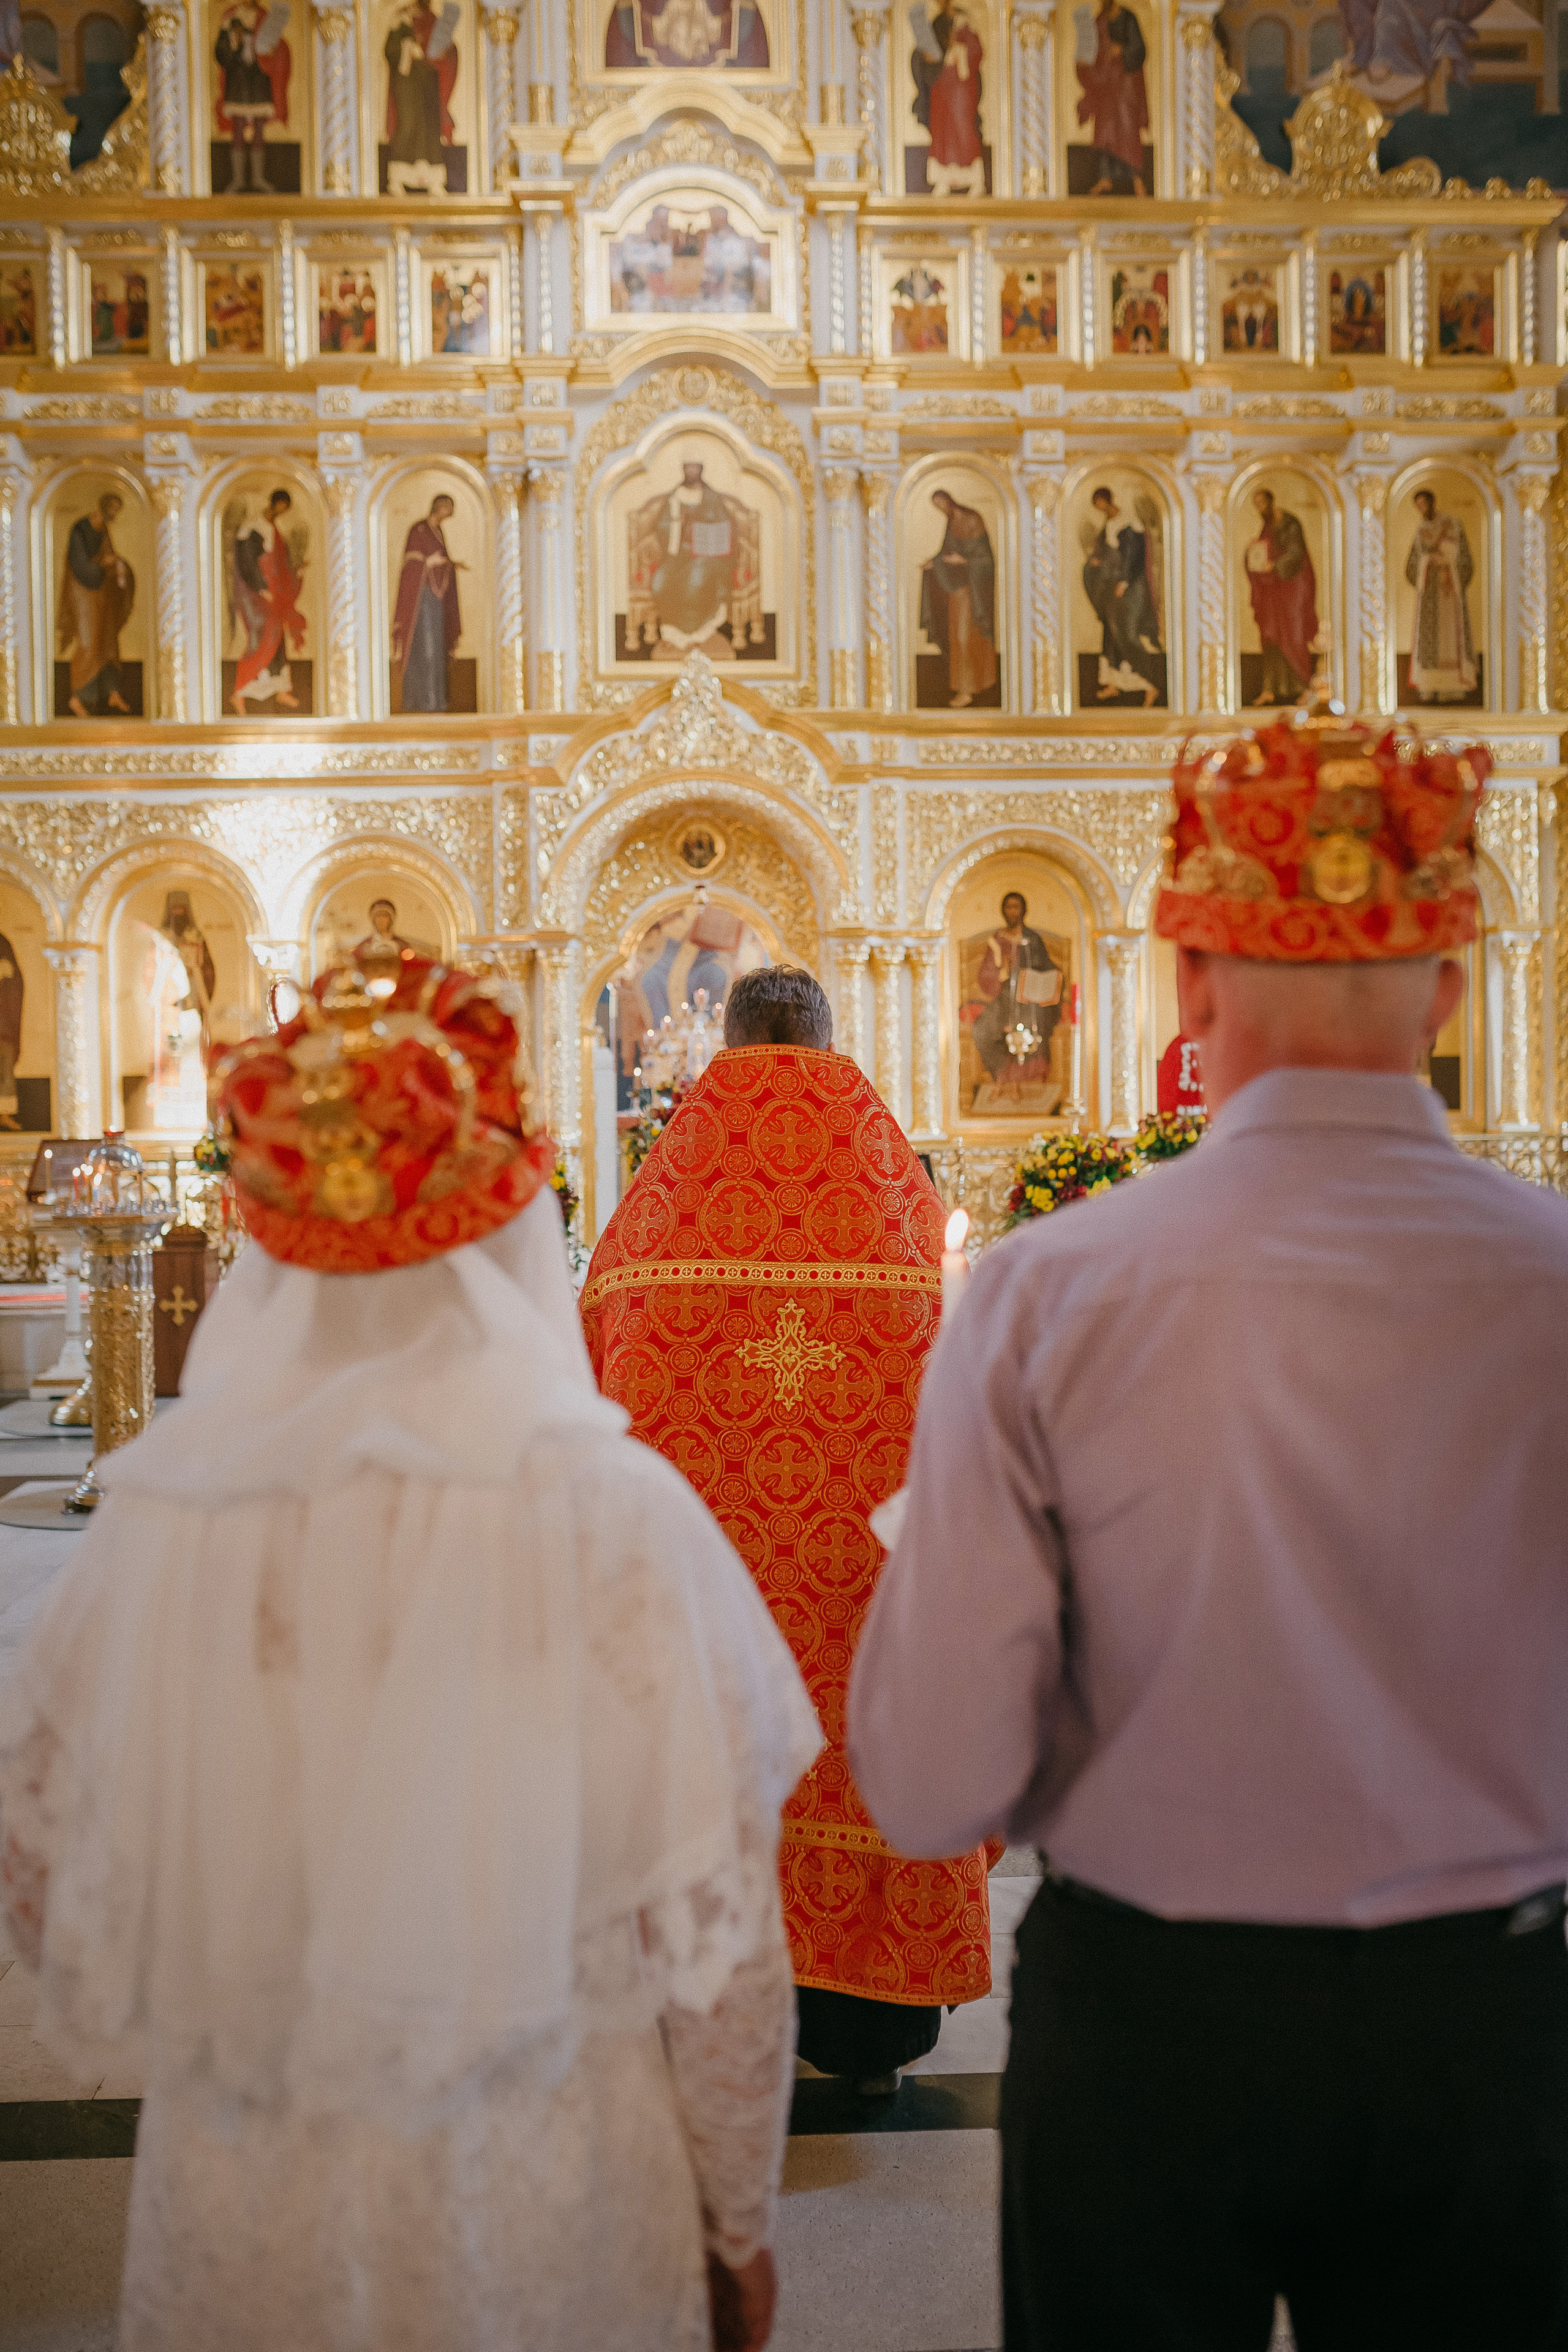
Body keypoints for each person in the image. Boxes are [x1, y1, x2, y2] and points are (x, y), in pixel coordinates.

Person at [850, 708, 1568, 2350]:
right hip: (1495, 2014)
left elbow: (932, 1776)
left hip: (1150, 2019)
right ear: (1452, 988)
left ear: (1183, 983)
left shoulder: (1048, 1293)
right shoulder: (1558, 1281)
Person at [0, 948, 820, 2352]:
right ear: (509, 1213)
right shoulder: (610, 1508)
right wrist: (735, 2217)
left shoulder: (166, 1502)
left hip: (256, 2160)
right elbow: (721, 1937)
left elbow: (37, 1857)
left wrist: (240, 1949)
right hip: (550, 2152)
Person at [582, 966, 998, 2096]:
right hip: (867, 1586)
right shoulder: (903, 1212)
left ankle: (705, 2021)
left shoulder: (656, 1220)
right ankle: (870, 2041)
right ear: (827, 1041)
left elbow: (589, 1388)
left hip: (704, 1596)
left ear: (725, 1043)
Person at [966, 892, 1061, 1103]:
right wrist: (1002, 972)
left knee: (1028, 1025)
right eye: (1009, 907)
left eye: (1016, 907)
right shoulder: (997, 941)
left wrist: (1042, 975)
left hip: (1031, 1000)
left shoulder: (1033, 940)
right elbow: (985, 976)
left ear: (1024, 911)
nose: (1012, 912)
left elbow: (1046, 967)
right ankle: (1002, 1079)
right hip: (1004, 999)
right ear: (1003, 911)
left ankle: (1016, 1085)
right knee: (982, 1029)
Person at [1082, 484, 1163, 706]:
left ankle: (1150, 685)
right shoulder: (1108, 524)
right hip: (1112, 586)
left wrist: (1124, 582)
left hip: (1129, 587)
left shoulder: (1129, 523)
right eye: (1097, 506)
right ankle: (1114, 684)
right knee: (1111, 634)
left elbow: (1132, 556)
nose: (1101, 509)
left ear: (1109, 501)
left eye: (1102, 504)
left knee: (1126, 634)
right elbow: (1108, 552)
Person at [58, 490, 135, 718]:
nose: (114, 514)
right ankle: (76, 698)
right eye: (112, 509)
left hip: (100, 593)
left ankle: (112, 692)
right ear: (102, 507)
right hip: (82, 592)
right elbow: (80, 566)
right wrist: (103, 564)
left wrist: (118, 565)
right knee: (89, 644)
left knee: (108, 641)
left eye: (117, 511)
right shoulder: (81, 529)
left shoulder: (104, 531)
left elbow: (108, 558)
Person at [229, 486, 306, 714]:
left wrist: (295, 570)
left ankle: (281, 689)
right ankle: (239, 692)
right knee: (262, 636)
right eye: (280, 508)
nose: (281, 512)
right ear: (274, 503)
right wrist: (262, 588)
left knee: (277, 636)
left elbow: (279, 562)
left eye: (285, 510)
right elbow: (247, 563)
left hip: (269, 593)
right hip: (253, 593)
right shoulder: (252, 527)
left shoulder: (273, 528)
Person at [920, 489, 998, 708]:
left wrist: (964, 560)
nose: (941, 509)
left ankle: (969, 689)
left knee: (966, 638)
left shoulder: (971, 519)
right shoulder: (952, 522)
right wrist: (934, 563)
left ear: (949, 500)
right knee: (957, 638)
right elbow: (947, 553)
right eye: (937, 506)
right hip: (959, 591)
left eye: (941, 504)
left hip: (974, 592)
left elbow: (985, 560)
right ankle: (967, 687)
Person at [1245, 484, 1318, 705]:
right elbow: (1264, 553)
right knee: (1271, 637)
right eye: (1256, 504)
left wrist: (1275, 565)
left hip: (1293, 589)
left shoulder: (1288, 522)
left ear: (1270, 501)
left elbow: (1296, 553)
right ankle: (1270, 690)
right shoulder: (1267, 526)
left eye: (1262, 503)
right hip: (1273, 591)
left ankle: (1305, 689)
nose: (1260, 508)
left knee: (1293, 636)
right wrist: (1252, 552)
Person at [1405, 487, 1477, 703]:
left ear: (1431, 503)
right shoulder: (1421, 531)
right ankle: (1429, 685)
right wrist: (1428, 561)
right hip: (1429, 595)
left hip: (1450, 591)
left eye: (1423, 504)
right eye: (1417, 506)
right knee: (1429, 639)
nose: (1421, 509)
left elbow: (1464, 557)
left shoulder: (1453, 524)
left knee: (1451, 637)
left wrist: (1446, 558)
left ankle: (1454, 687)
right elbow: (1413, 563)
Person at [392, 494, 462, 712]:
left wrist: (448, 564)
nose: (448, 514)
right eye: (447, 509)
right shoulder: (419, 529)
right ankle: (422, 701)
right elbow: (412, 562)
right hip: (421, 599)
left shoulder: (438, 532)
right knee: (425, 647)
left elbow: (439, 559)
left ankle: (436, 701)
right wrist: (429, 562)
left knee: (437, 648)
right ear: (439, 508)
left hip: (437, 598)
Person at [1075, 0, 1149, 194]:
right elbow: (1091, 50)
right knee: (1105, 131)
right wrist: (1085, 65)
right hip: (1106, 84)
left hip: (1127, 86)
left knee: (1128, 131)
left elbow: (1140, 50)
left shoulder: (1128, 18)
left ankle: (1137, 180)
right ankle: (1104, 178)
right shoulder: (1099, 20)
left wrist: (1122, 51)